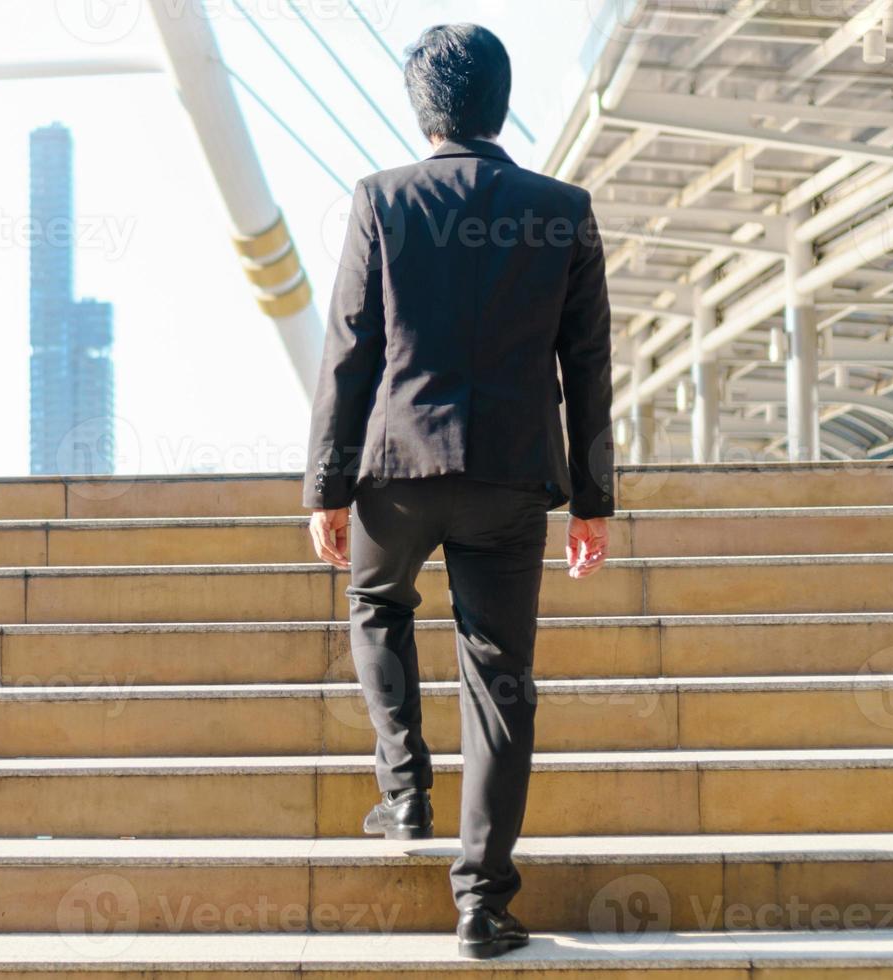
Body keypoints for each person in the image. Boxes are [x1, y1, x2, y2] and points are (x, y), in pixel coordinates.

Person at [303, 23, 614, 960]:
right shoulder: (561, 207)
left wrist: (326, 481)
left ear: (422, 107)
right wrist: (593, 500)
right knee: (499, 682)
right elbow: (588, 367)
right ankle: (482, 901)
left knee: (374, 603)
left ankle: (404, 793)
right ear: (502, 100)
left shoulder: (380, 199)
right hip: (510, 479)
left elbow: (349, 350)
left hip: (393, 471)